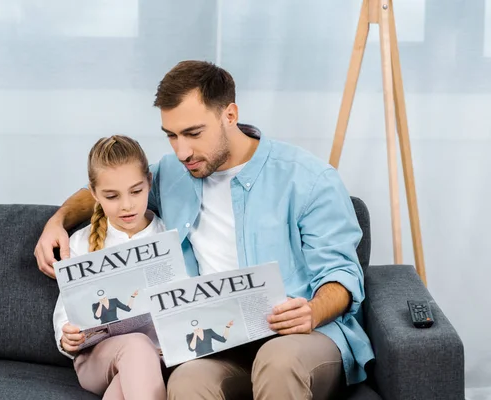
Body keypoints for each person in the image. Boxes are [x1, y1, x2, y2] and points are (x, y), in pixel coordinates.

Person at [38, 61, 375, 399]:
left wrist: (312, 311)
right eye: (171, 135)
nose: (182, 150)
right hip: (220, 344)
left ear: (229, 115)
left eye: (193, 133)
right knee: (187, 380)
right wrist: (59, 220)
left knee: (278, 360)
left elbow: (342, 275)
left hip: (300, 338)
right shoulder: (173, 173)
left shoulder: (309, 179)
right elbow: (109, 187)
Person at [52, 135, 166, 400]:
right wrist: (67, 335)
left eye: (136, 191)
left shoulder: (167, 236)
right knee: (137, 345)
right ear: (93, 193)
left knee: (123, 389)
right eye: (111, 196)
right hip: (96, 359)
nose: (126, 205)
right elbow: (65, 310)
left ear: (149, 182)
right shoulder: (80, 242)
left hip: (156, 359)